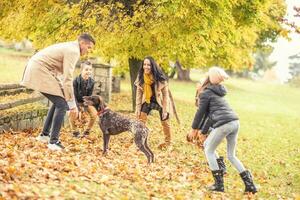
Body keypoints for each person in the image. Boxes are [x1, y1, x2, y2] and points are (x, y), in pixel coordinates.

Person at [187, 67, 257, 194]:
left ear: (202, 84)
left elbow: (200, 113)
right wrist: (202, 131)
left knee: (208, 150)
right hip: (235, 122)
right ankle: (250, 185)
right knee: (231, 155)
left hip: (225, 124)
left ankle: (219, 185)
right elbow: (209, 117)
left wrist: (194, 129)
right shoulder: (216, 92)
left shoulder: (205, 93)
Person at [21, 33, 95, 150]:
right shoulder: (73, 51)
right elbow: (68, 78)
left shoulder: (70, 47)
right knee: (62, 104)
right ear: (82, 43)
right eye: (89, 47)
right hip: (39, 70)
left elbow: (62, 77)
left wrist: (66, 95)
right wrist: (72, 105)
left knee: (59, 101)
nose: (89, 51)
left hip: (40, 69)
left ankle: (45, 135)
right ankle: (53, 142)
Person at [135, 56, 175, 149]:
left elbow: (165, 96)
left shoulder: (160, 78)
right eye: (144, 64)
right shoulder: (141, 77)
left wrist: (165, 110)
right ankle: (140, 142)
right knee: (140, 119)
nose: (146, 67)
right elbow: (139, 94)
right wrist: (137, 108)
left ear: (152, 66)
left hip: (159, 101)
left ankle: (168, 143)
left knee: (165, 121)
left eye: (148, 65)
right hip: (147, 100)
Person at [69, 61, 97, 137]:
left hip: (85, 102)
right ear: (82, 70)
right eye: (86, 69)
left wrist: (84, 109)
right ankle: (75, 131)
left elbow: (89, 97)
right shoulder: (75, 81)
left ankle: (87, 131)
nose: (88, 72)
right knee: (72, 113)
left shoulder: (92, 82)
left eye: (90, 70)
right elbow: (73, 96)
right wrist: (78, 109)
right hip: (75, 101)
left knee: (94, 114)